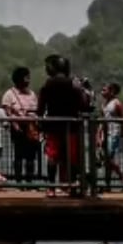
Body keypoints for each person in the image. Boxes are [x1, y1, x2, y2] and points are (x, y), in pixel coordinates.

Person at [37, 55, 85, 197]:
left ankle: (51, 187)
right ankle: (72, 185)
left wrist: (40, 122)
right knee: (72, 157)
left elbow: (40, 107)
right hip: (72, 126)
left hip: (53, 125)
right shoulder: (73, 84)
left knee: (52, 157)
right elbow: (82, 104)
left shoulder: (48, 84)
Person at [1, 66, 42, 184]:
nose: (28, 80)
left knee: (30, 157)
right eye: (26, 77)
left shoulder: (32, 94)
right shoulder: (9, 94)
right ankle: (18, 181)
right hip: (18, 128)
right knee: (18, 155)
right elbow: (8, 112)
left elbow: (37, 110)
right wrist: (15, 125)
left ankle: (29, 181)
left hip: (31, 128)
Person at [99, 83, 123, 189]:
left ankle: (122, 176)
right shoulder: (103, 104)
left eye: (105, 89)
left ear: (112, 91)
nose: (102, 91)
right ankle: (108, 184)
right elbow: (102, 121)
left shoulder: (117, 103)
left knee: (108, 158)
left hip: (114, 133)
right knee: (106, 159)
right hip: (105, 133)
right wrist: (98, 135)